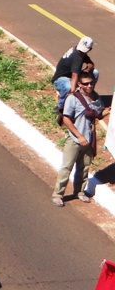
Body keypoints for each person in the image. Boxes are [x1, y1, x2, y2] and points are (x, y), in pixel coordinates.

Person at [53, 76, 108, 206]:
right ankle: (58, 194)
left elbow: (98, 114)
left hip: (89, 139)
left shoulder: (96, 98)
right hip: (75, 140)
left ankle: (79, 191)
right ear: (79, 84)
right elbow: (66, 119)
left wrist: (109, 111)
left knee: (84, 167)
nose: (89, 86)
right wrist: (79, 136)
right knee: (67, 167)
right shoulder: (73, 98)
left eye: (91, 83)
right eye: (86, 83)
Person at [52, 37, 97, 110]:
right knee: (69, 86)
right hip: (60, 80)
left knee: (95, 73)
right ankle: (60, 106)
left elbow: (91, 64)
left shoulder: (80, 53)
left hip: (72, 76)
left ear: (89, 50)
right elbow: (74, 75)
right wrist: (72, 91)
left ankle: (89, 93)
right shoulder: (77, 57)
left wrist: (87, 70)